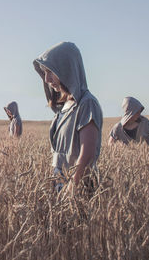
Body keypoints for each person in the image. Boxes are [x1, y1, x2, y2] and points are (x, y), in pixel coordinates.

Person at [33, 42, 103, 193]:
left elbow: (87, 154)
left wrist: (71, 189)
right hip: (60, 184)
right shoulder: (63, 107)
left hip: (79, 187)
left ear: (67, 70)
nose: (46, 79)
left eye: (50, 72)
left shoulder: (87, 103)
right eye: (44, 73)